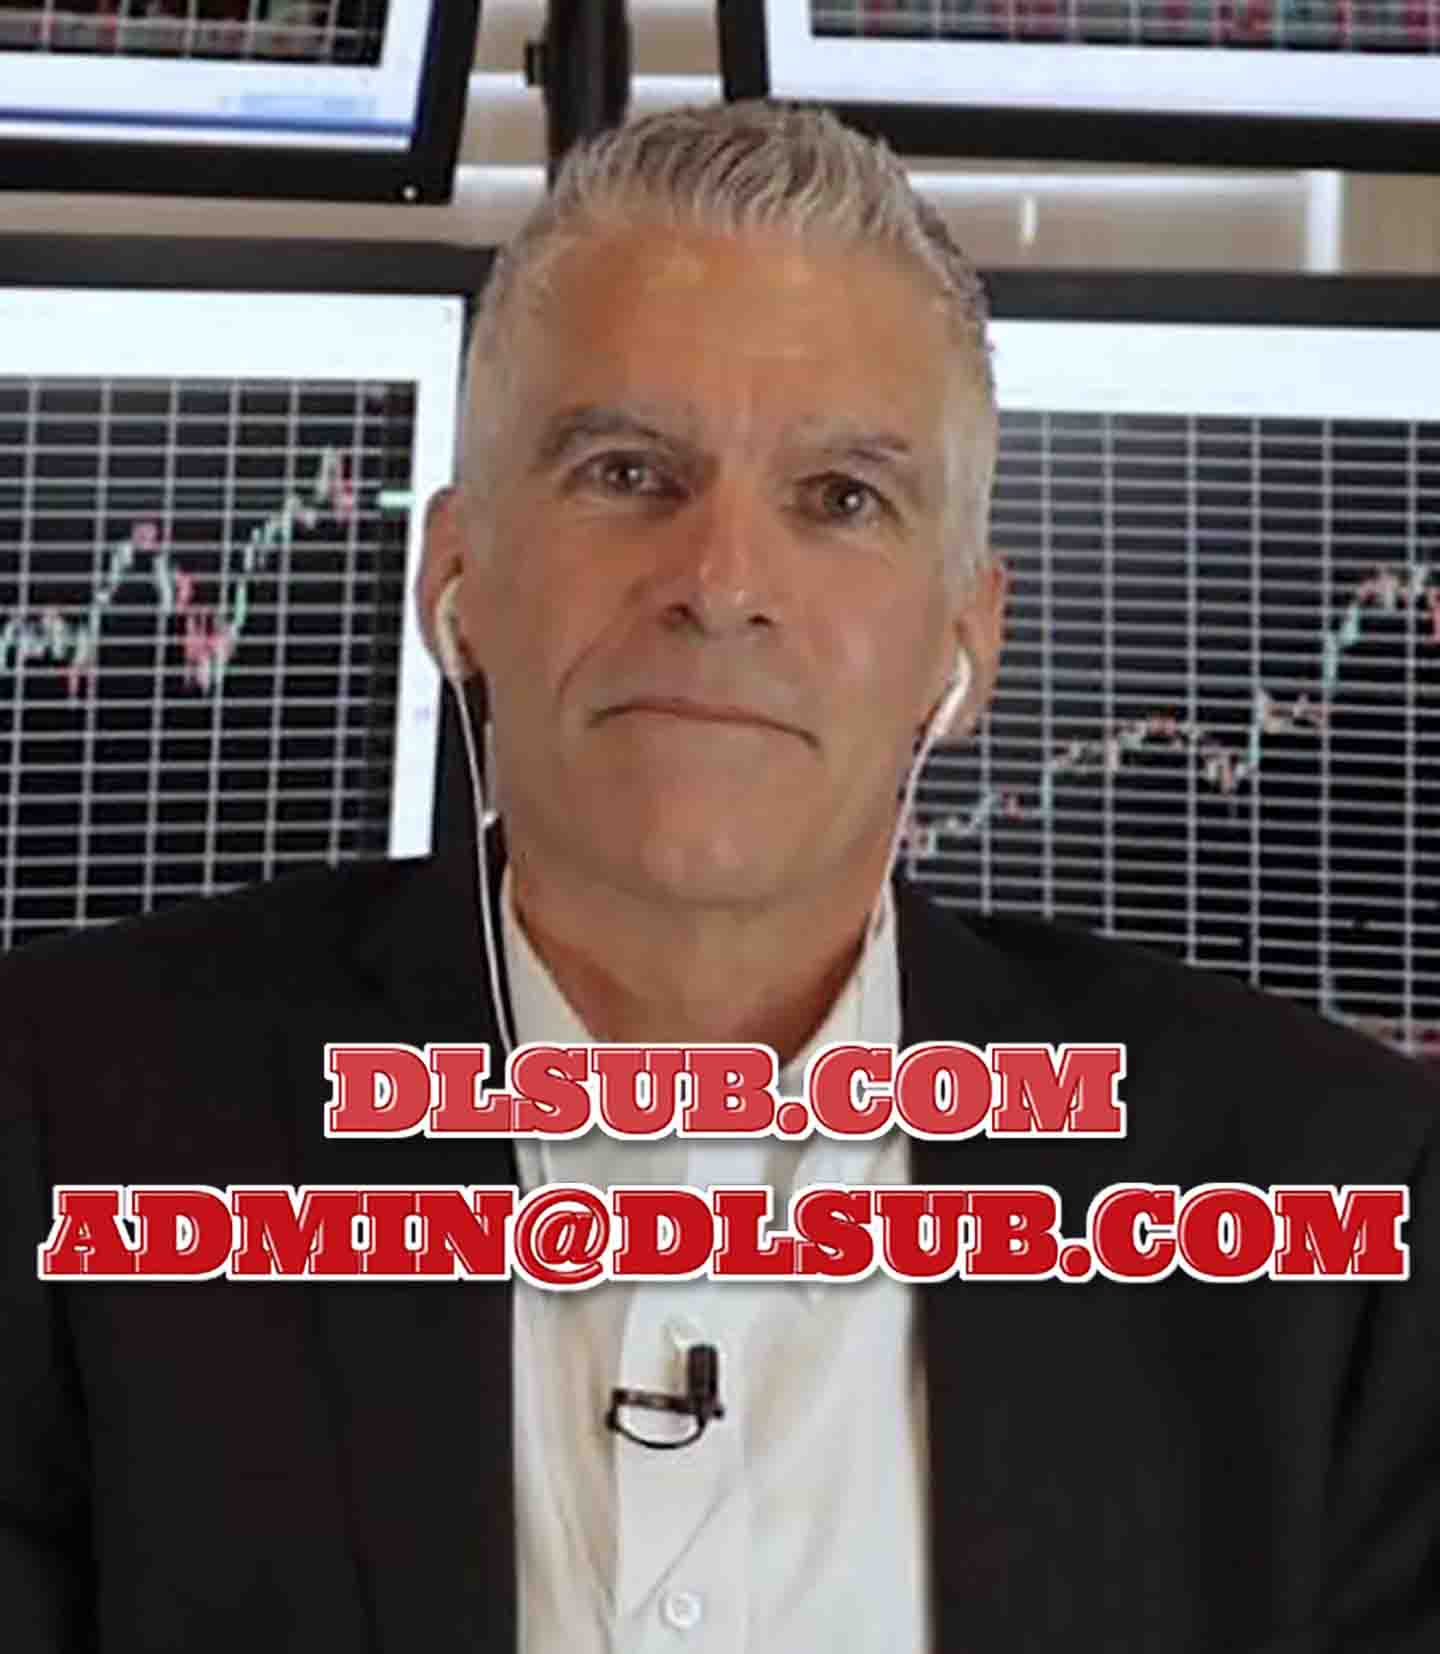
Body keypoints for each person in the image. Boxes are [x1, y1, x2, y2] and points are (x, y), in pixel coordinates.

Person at [1, 99, 1436, 1654]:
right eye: (627, 471)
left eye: (842, 498)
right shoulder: (58, 1129)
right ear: (458, 574)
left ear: (966, 635)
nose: (721, 583)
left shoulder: (1335, 1211)